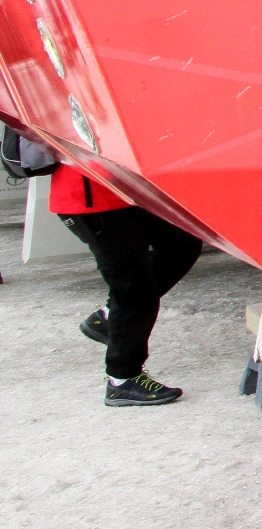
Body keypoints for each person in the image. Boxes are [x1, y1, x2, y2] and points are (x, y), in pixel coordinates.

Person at [59, 163, 200, 406]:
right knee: (133, 289)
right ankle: (122, 379)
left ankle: (108, 316)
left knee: (182, 244)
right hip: (93, 197)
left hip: (126, 190)